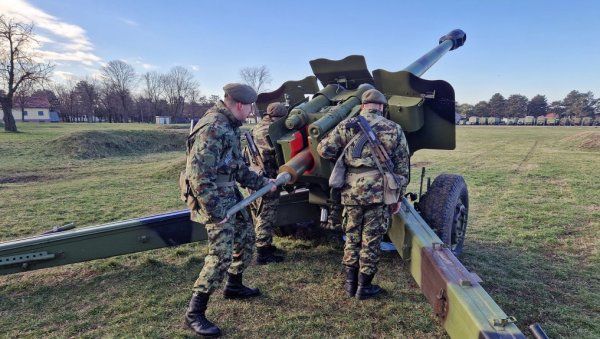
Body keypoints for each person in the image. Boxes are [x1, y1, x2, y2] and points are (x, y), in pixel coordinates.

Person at [182, 83, 277, 337]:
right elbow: (199, 175)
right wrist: (215, 212)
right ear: (239, 105)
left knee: (246, 238)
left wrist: (262, 183)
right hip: (213, 197)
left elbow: (236, 167)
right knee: (220, 254)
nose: (251, 113)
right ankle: (195, 312)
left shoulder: (229, 126)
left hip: (228, 193)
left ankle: (234, 286)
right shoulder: (213, 127)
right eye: (250, 108)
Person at [317, 88, 409, 300]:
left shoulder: (346, 125)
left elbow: (324, 150)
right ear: (382, 107)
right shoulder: (394, 128)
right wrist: (398, 196)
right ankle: (364, 287)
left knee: (351, 236)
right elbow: (403, 167)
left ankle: (350, 285)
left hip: (351, 191)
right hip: (379, 192)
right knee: (371, 239)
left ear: (362, 106)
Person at [249, 102, 288, 264]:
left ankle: (266, 245)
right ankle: (263, 253)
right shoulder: (270, 131)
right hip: (267, 178)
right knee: (266, 214)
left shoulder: (257, 127)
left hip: (255, 175)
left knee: (260, 213)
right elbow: (279, 151)